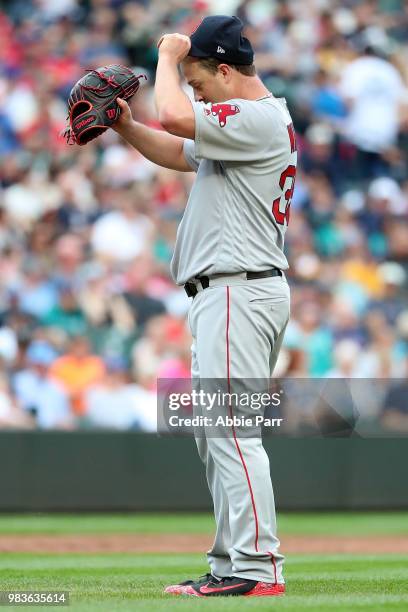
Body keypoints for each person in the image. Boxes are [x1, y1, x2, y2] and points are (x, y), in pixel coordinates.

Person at [113, 15, 295, 598]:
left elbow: (174, 115)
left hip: (240, 289)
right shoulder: (242, 125)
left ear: (223, 69)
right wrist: (122, 124)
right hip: (228, 292)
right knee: (215, 433)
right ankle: (230, 565)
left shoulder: (260, 117)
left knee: (233, 432)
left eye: (197, 82)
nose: (191, 92)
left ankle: (258, 568)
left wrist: (167, 57)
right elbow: (174, 145)